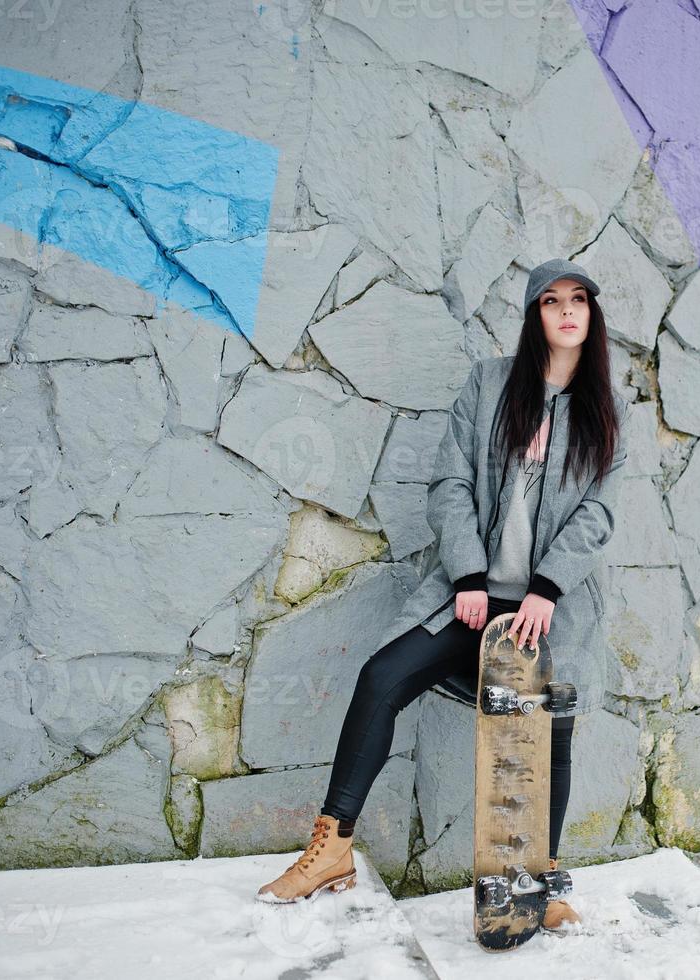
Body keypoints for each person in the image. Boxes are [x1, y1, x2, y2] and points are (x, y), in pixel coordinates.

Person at [257, 258, 628, 933]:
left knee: (550, 739)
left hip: (550, 616)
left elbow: (598, 514)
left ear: (592, 314)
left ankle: (535, 886)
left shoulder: (607, 408)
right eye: (551, 301)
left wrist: (546, 587)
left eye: (579, 299)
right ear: (533, 315)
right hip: (472, 601)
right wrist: (466, 576)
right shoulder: (488, 386)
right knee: (382, 677)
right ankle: (332, 846)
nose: (567, 311)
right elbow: (449, 484)